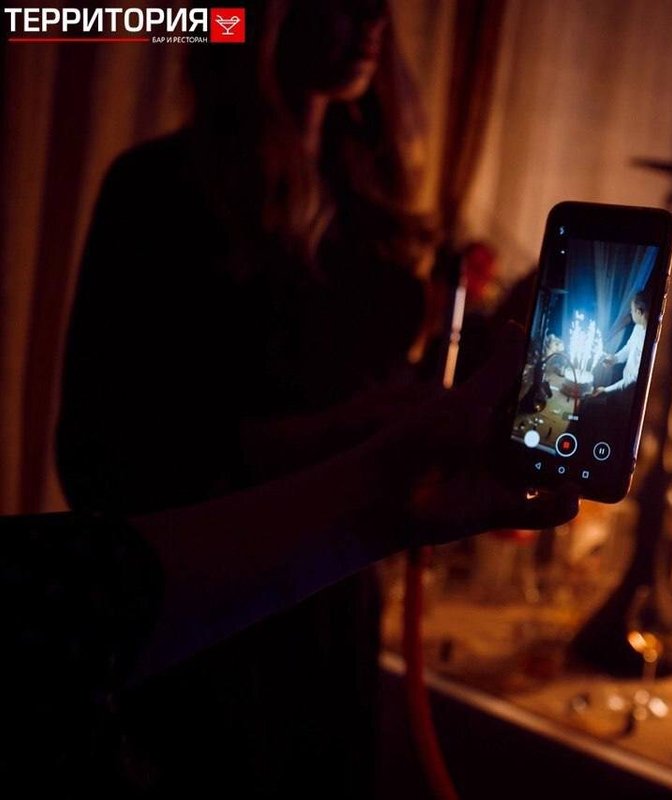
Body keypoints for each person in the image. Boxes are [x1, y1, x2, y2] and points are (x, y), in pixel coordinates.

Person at [54, 1, 446, 795]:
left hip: (334, 610)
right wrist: (333, 436)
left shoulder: (365, 202)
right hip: (215, 627)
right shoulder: (159, 192)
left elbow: (373, 377)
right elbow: (103, 454)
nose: (372, 22)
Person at [5, 331, 578, 793]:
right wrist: (352, 459)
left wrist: (383, 489)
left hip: (313, 593)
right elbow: (95, 547)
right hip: (228, 656)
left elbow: (99, 594)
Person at [592, 292, 649, 397]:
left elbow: (633, 380)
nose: (630, 313)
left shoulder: (649, 342)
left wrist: (606, 390)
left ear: (639, 312)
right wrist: (615, 359)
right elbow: (628, 348)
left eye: (632, 310)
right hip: (623, 383)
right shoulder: (638, 327)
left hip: (631, 392)